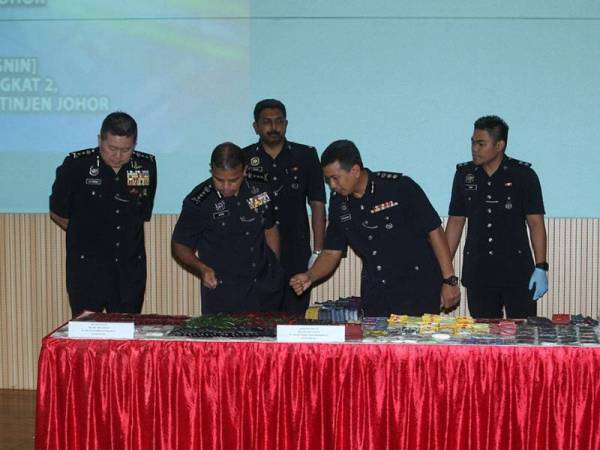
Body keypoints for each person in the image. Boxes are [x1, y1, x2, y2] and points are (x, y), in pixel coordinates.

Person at [290, 140, 460, 317]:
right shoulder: (339, 203)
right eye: (327, 180)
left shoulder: (399, 187)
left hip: (416, 288)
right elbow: (332, 252)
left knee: (417, 345)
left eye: (335, 178)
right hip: (377, 294)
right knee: (376, 345)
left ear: (355, 171)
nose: (332, 185)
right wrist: (310, 276)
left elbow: (435, 231)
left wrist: (449, 280)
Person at [49, 111, 157, 316]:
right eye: (111, 148)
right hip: (87, 270)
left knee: (127, 336)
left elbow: (141, 211)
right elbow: (57, 211)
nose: (117, 156)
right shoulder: (76, 165)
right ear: (100, 140)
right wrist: (85, 234)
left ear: (135, 144)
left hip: (128, 271)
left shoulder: (145, 166)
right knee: (87, 336)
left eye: (126, 150)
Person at [445, 115, 548, 319]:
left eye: (481, 143)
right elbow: (456, 223)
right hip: (478, 272)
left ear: (499, 145)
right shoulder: (465, 175)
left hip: (516, 272)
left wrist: (541, 266)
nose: (475, 148)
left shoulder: (523, 175)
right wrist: (443, 271)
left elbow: (536, 224)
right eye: (473, 142)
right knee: (485, 339)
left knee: (522, 338)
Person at [172, 142, 284, 314]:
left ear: (245, 171)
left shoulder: (260, 190)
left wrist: (274, 266)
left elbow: (269, 228)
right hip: (224, 292)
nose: (225, 186)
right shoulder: (199, 200)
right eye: (219, 179)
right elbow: (180, 245)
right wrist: (202, 269)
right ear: (211, 170)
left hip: (263, 288)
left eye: (233, 180)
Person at [243, 99, 326, 315]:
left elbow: (317, 204)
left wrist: (317, 251)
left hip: (296, 250)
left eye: (279, 121)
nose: (273, 127)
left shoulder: (305, 155)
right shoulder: (244, 158)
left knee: (294, 317)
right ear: (256, 127)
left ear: (286, 124)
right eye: (266, 122)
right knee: (258, 317)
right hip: (257, 250)